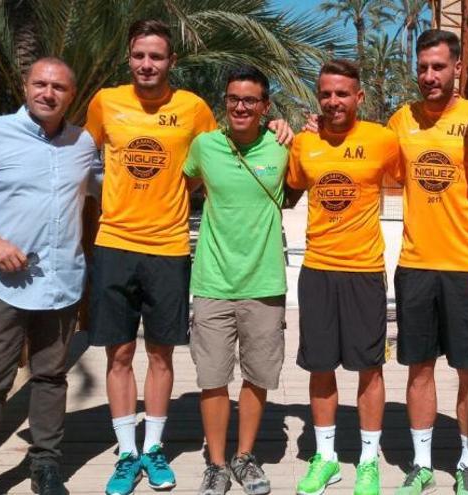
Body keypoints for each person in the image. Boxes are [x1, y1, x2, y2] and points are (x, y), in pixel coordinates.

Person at [84, 18, 291, 495]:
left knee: (160, 354)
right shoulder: (105, 102)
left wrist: (282, 125)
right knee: (118, 354)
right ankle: (127, 453)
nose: (147, 64)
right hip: (114, 241)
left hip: (171, 246)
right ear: (129, 57)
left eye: (156, 56)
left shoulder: (194, 109)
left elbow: (205, 169)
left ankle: (154, 449)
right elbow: (76, 155)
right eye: (139, 55)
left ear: (171, 61)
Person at [0, 57, 102, 495]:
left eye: (58, 87)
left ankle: (46, 466)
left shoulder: (83, 143)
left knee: (51, 378)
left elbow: (110, 188)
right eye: (40, 84)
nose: (48, 93)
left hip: (62, 282)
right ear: (26, 85)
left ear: (71, 96)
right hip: (3, 284)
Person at [287, 59, 400, 495]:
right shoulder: (305, 144)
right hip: (316, 270)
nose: (333, 101)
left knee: (369, 369)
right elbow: (293, 185)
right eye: (326, 94)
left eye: (342, 93)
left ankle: (368, 460)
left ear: (359, 97)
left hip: (364, 272)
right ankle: (327, 458)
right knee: (320, 368)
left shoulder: (382, 140)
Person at [384, 30, 468, 495]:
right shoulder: (399, 121)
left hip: (467, 265)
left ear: (457, 68)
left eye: (438, 67)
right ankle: (422, 462)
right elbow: (371, 167)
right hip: (416, 264)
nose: (429, 76)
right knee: (419, 368)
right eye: (423, 67)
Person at [184, 66, 289, 495]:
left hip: (264, 283)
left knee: (257, 375)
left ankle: (244, 457)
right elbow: (181, 186)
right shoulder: (205, 146)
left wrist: (294, 128)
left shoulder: (283, 146)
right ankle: (216, 462)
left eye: (250, 100)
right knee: (212, 377)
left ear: (265, 107)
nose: (240, 107)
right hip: (211, 281)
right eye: (233, 99)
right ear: (224, 103)